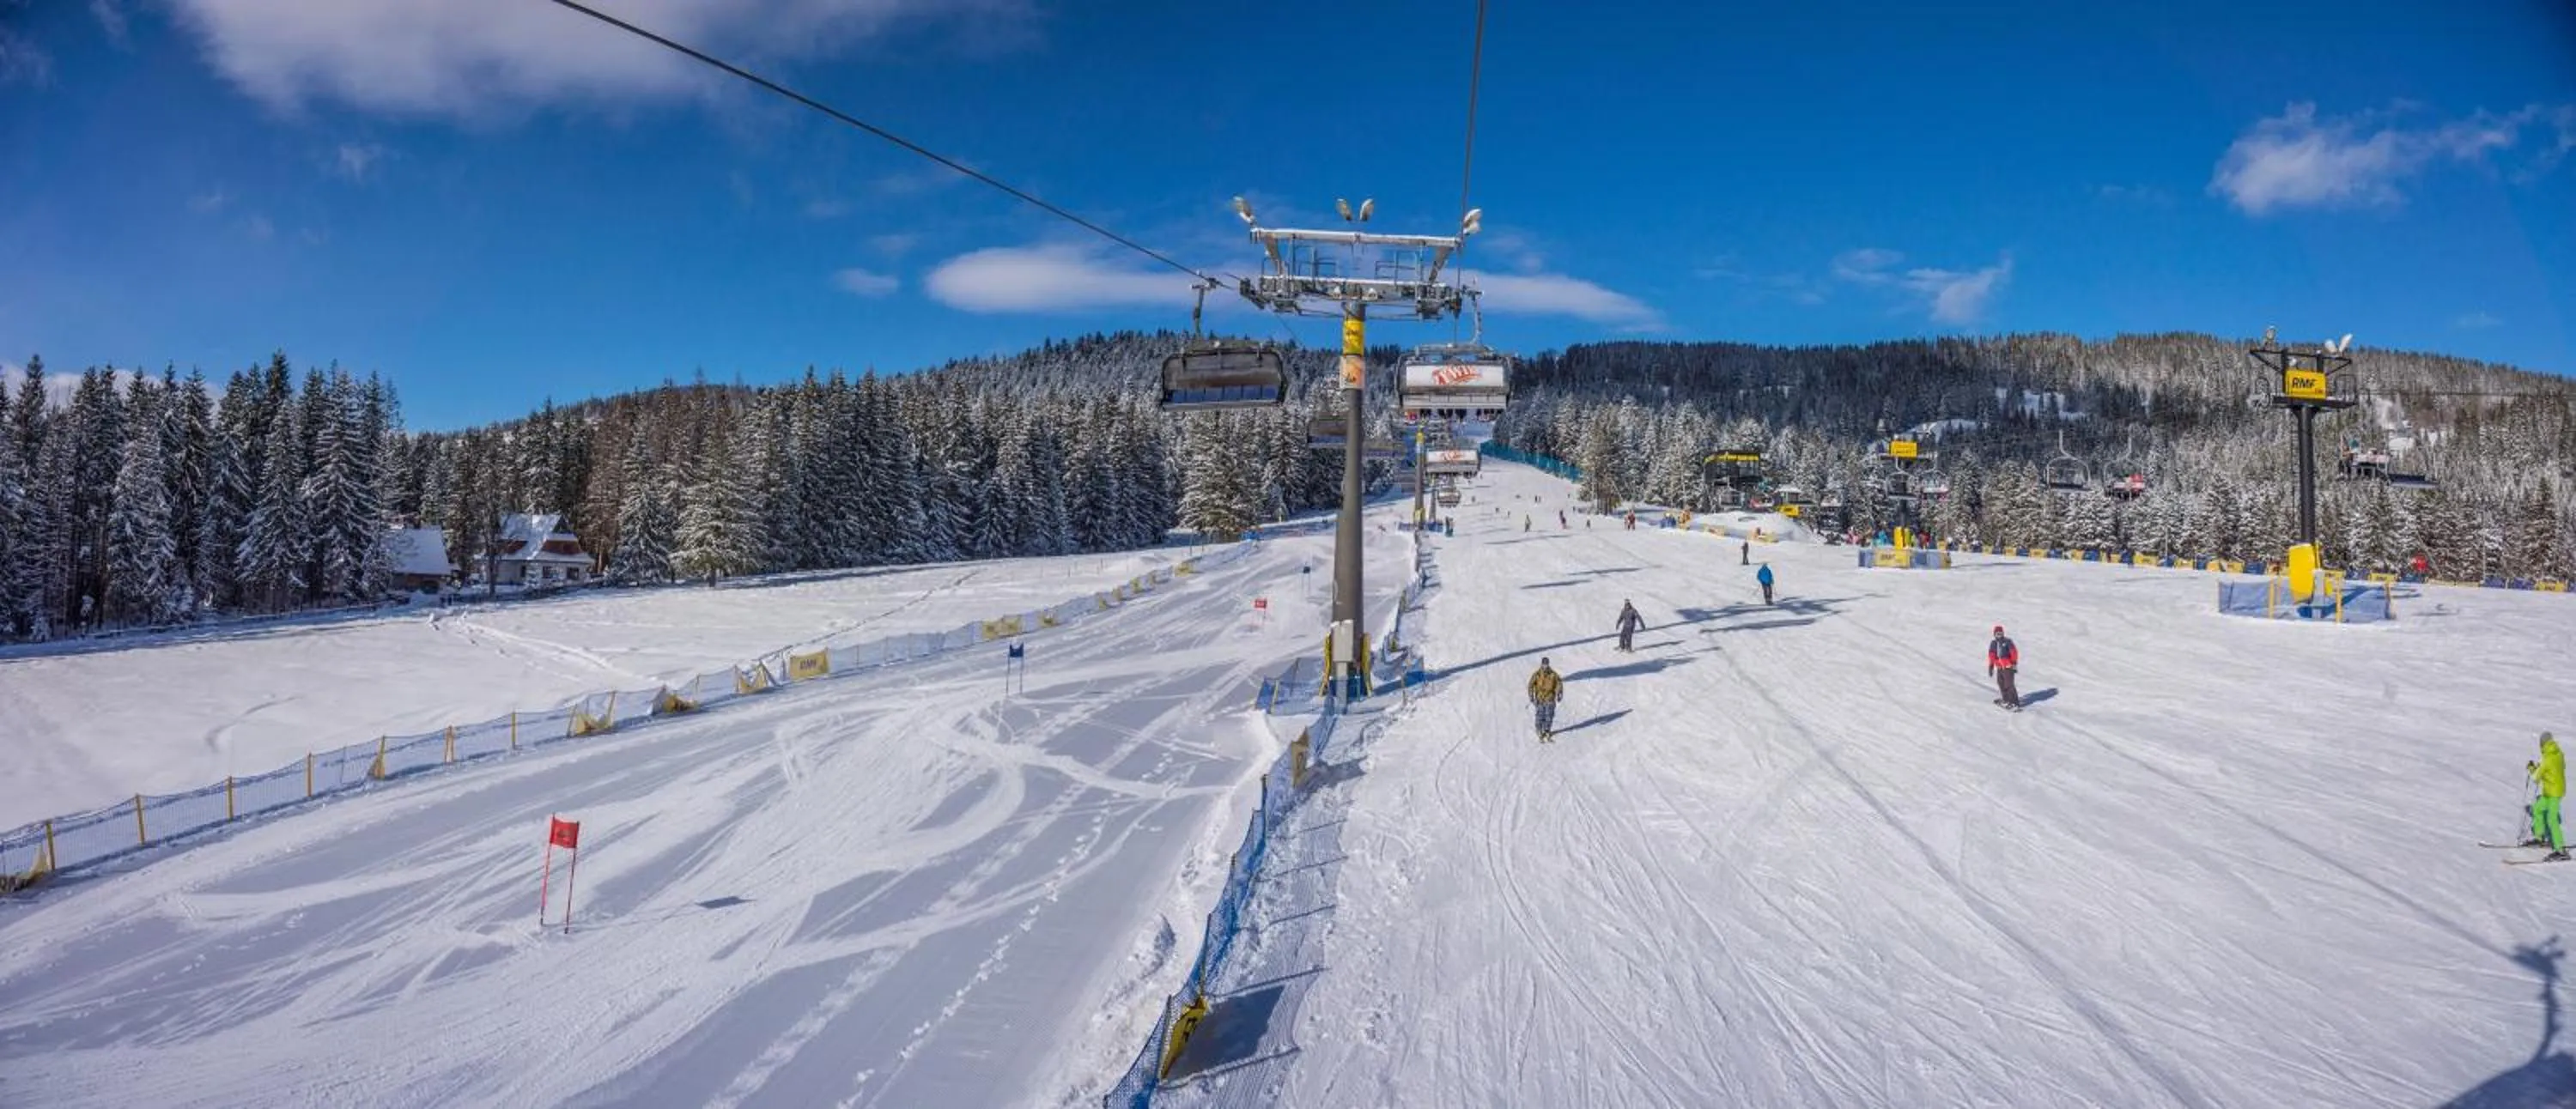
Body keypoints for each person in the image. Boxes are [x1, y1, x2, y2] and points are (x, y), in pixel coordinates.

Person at [2527, 732, 2567, 859]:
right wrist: (2543, 769)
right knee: (2537, 809)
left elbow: (2535, 778)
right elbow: (2558, 767)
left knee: (2551, 819)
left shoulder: (2547, 759)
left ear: (2542, 744)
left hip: (2553, 793)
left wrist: (2532, 768)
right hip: (2552, 791)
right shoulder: (2558, 753)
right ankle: (2540, 837)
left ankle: (2560, 850)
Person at [1528, 658, 1564, 742]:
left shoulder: (1553, 674)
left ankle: (1547, 730)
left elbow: (1559, 684)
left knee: (1549, 716)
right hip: (1540, 698)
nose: (1545, 666)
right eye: (1544, 664)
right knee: (1540, 715)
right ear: (1541, 664)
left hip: (1550, 698)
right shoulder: (1537, 674)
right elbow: (1531, 685)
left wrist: (1559, 693)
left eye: (1546, 664)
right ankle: (1539, 730)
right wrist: (1531, 696)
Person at [1987, 625, 2021, 710]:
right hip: (1999, 668)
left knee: (2009, 684)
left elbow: (2014, 652)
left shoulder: (2007, 641)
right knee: (2001, 683)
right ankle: (2006, 699)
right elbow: (1991, 655)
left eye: (2001, 633)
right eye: (1997, 634)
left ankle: (2014, 702)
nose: (1999, 635)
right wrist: (1991, 666)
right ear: (1994, 634)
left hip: (2008, 667)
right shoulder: (1993, 643)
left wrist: (2014, 663)